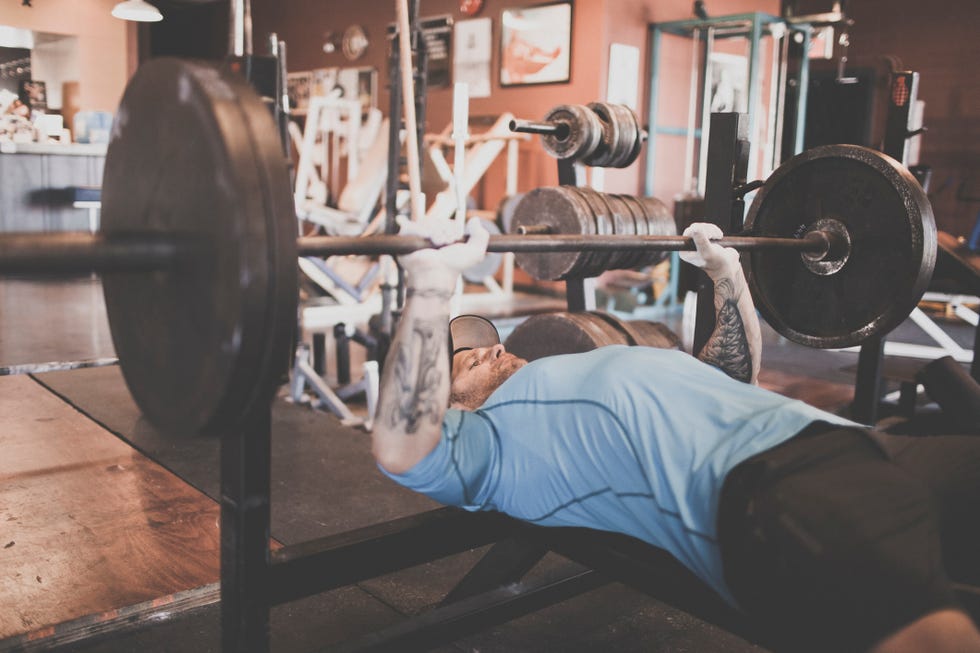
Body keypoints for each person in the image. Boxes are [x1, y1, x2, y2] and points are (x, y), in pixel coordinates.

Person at [371, 216, 980, 653]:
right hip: (774, 494)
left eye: (485, 340)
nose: (488, 348)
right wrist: (429, 291)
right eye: (462, 358)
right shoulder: (490, 448)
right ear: (443, 405)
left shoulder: (585, 365)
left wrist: (727, 274)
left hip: (864, 443)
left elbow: (735, 374)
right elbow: (401, 448)